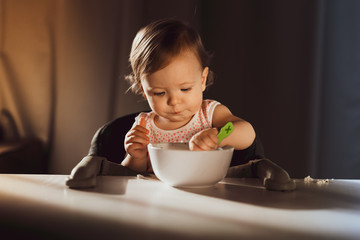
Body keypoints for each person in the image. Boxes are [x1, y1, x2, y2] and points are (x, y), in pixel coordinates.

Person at [66, 18, 295, 191]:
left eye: (185, 89)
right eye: (159, 92)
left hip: (215, 195)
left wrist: (219, 135)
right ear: (143, 90)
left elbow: (247, 132)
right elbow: (132, 174)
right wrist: (134, 155)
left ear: (203, 79)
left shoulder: (210, 114)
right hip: (160, 200)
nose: (174, 101)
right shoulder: (144, 124)